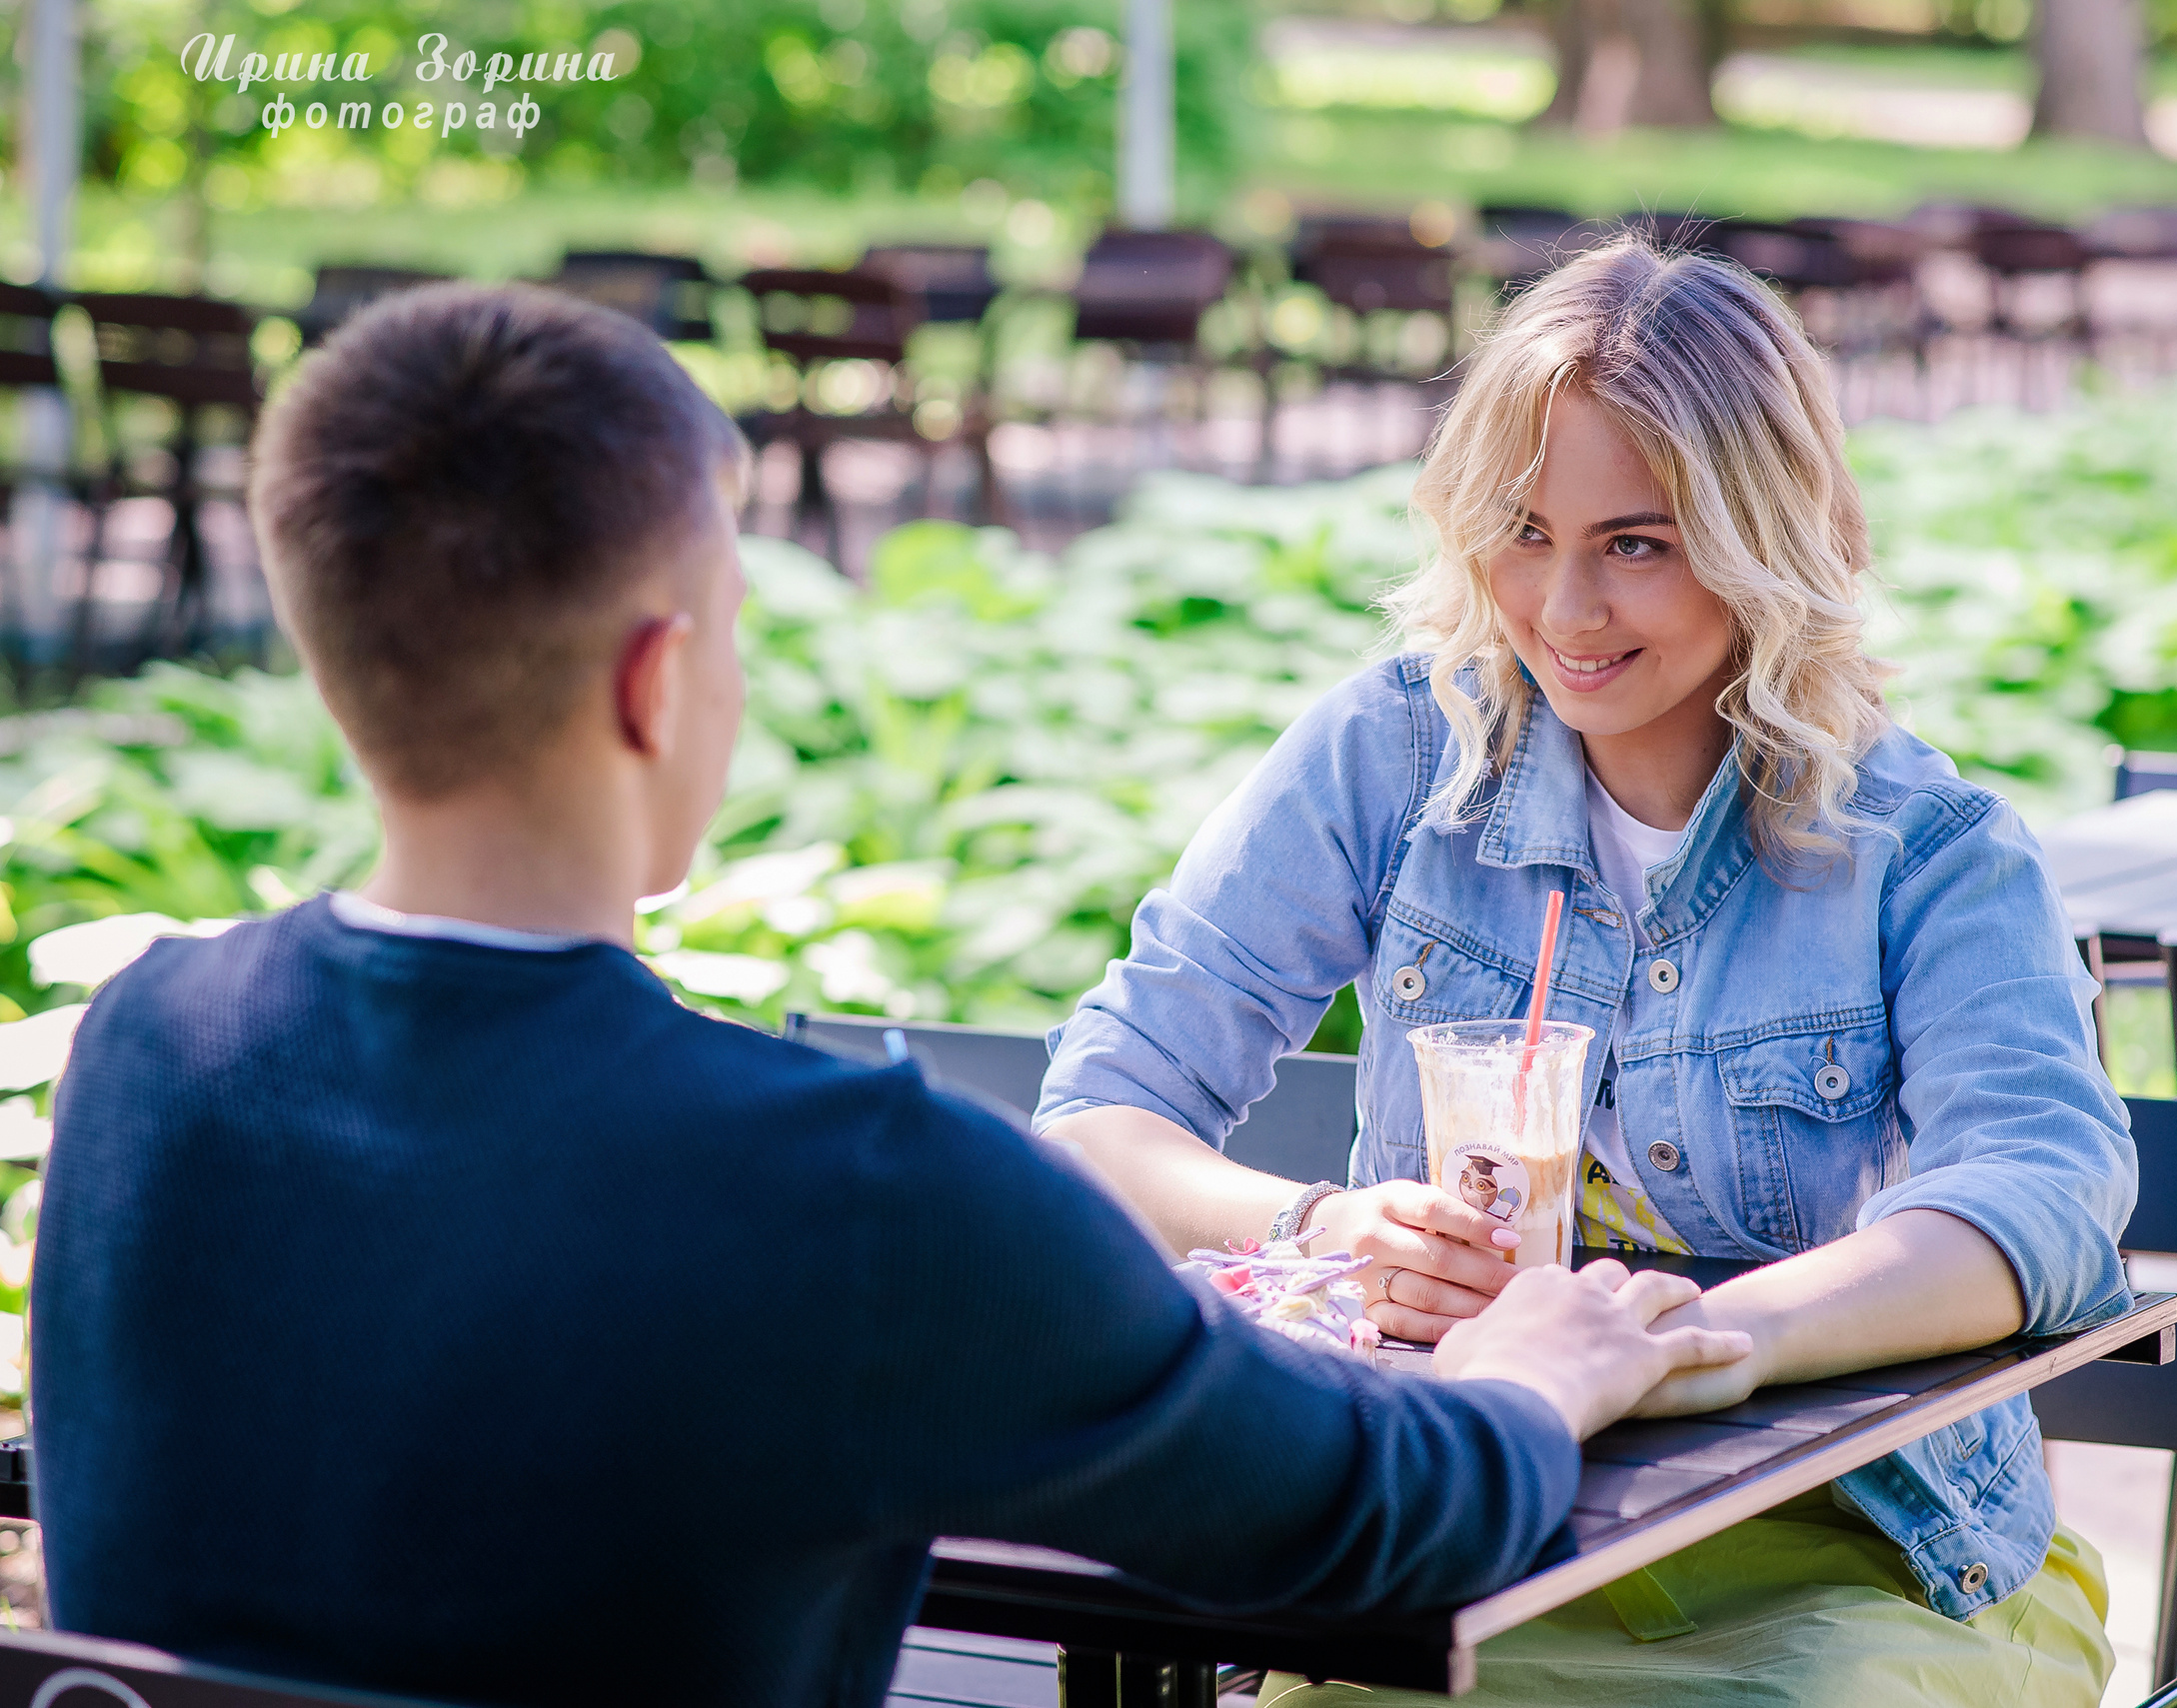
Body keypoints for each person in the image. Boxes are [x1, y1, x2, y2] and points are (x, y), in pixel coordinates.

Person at [27, 283, 1753, 1708]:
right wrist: (1532, 1371)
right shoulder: (857, 1188)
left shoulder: (147, 1054)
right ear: (657, 683)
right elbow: (1377, 1521)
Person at [1038, 238, 2139, 1706]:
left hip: (1862, 1557)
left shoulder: (1924, 850)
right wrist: (1327, 1225)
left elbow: (2042, 1193)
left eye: (1637, 543)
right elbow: (1100, 1114)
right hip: (1479, 1518)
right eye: (1522, 530)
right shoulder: (1395, 760)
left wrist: (1715, 1339)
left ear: (1764, 540)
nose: (1562, 612)